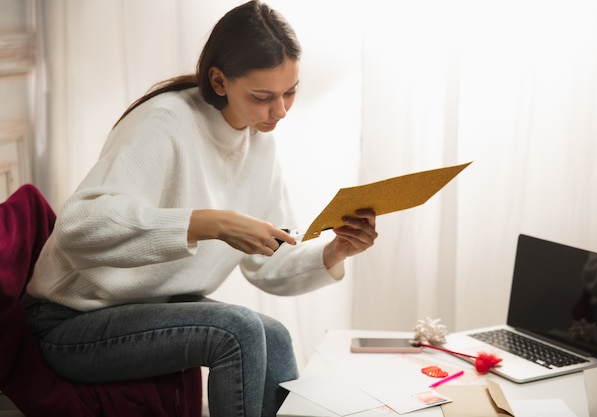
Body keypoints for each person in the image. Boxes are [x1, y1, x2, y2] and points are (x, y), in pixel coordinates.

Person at [23, 1, 378, 416]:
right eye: (263, 96)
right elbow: (78, 229)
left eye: (290, 92)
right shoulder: (164, 123)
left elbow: (268, 263)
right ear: (219, 81)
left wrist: (336, 251)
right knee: (237, 331)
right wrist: (208, 224)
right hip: (68, 326)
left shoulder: (259, 142)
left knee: (275, 334)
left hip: (144, 310)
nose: (280, 111)